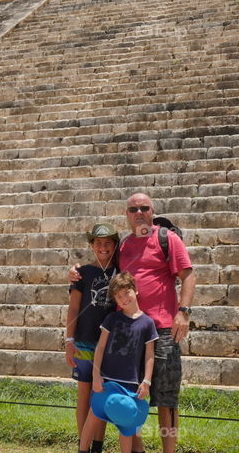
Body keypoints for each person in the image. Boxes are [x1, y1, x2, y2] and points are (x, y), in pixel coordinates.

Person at [71, 193, 195, 453]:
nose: (139, 212)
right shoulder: (124, 245)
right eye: (133, 209)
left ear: (152, 211)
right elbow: (102, 263)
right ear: (127, 215)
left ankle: (168, 451)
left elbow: (188, 275)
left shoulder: (167, 239)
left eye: (144, 208)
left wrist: (183, 312)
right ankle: (136, 449)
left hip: (161, 329)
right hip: (126, 330)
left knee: (166, 399)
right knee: (128, 394)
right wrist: (77, 272)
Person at [79, 272, 157, 453]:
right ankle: (82, 450)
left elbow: (149, 355)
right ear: (115, 300)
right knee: (94, 415)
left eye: (126, 293)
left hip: (130, 383)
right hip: (106, 379)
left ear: (135, 290)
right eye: (119, 297)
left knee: (127, 424)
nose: (124, 299)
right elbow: (100, 348)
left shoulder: (148, 323)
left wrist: (146, 381)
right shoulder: (112, 319)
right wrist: (95, 375)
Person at [66, 222, 119, 453]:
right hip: (84, 341)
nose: (103, 247)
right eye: (98, 243)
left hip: (108, 345)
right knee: (84, 395)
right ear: (91, 245)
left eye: (108, 243)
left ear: (115, 245)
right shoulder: (83, 273)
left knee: (102, 397)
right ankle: (83, 445)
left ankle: (98, 445)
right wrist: (69, 341)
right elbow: (73, 308)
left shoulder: (121, 272)